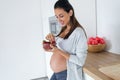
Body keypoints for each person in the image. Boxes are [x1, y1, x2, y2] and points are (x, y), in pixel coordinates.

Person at [44, 0, 88, 80]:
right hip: (56, 74)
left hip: (66, 75)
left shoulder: (79, 32)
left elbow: (81, 61)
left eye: (61, 16)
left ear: (70, 13)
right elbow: (58, 49)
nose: (58, 20)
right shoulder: (63, 29)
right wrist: (50, 43)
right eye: (57, 17)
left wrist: (58, 51)